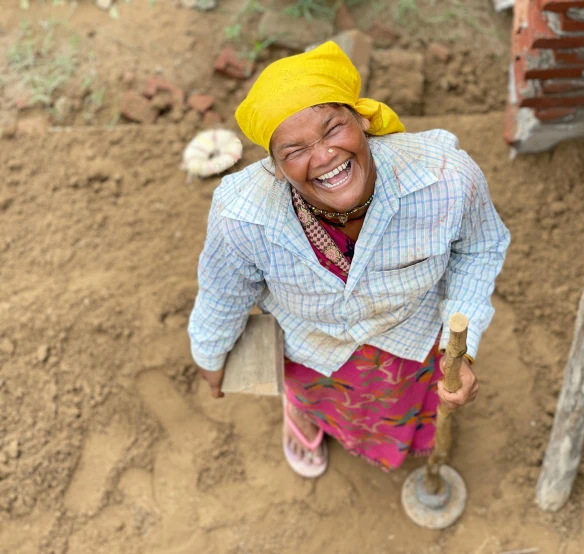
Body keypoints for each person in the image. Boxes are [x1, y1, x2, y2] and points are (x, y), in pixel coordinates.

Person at [188, 41, 510, 478]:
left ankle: (397, 438)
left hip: (409, 341)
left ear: (363, 119)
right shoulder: (242, 217)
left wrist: (463, 353)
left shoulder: (446, 180)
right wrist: (211, 355)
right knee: (314, 399)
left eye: (333, 129)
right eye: (294, 151)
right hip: (313, 349)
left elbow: (478, 250)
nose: (323, 157)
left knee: (406, 409)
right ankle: (302, 415)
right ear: (275, 168)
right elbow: (222, 293)